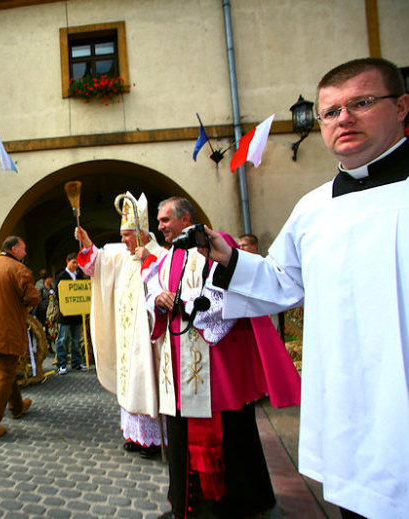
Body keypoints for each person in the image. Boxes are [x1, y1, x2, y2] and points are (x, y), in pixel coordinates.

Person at [204, 57, 409, 519]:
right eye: (331, 111)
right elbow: (281, 281)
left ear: (401, 107)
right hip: (347, 403)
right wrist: (229, 258)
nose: (345, 119)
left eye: (362, 102)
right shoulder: (313, 208)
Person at [148, 197, 300, 519]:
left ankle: (231, 508)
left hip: (216, 370)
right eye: (159, 221)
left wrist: (189, 304)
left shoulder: (219, 244)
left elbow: (230, 294)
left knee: (232, 440)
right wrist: (157, 300)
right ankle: (186, 506)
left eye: (164, 219)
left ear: (185, 217)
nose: (159, 226)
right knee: (180, 436)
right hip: (177, 368)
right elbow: (153, 289)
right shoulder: (167, 257)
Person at [75, 192, 169, 458]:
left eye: (126, 235)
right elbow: (98, 263)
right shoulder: (124, 256)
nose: (122, 240)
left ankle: (155, 439)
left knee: (148, 380)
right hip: (128, 337)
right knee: (131, 381)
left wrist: (148, 258)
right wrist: (87, 242)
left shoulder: (160, 256)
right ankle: (136, 435)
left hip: (150, 338)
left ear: (141, 234)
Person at [0, 236, 40, 441]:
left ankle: (16, 406)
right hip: (8, 329)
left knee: (7, 368)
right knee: (5, 373)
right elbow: (33, 297)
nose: (25, 252)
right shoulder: (18, 268)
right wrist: (20, 305)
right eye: (23, 249)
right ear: (14, 249)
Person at [53, 253, 86, 374]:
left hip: (77, 314)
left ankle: (76, 363)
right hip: (65, 314)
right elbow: (58, 293)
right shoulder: (61, 276)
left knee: (76, 340)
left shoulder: (79, 276)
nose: (76, 265)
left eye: (77, 263)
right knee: (62, 339)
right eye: (73, 262)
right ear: (67, 261)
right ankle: (61, 364)